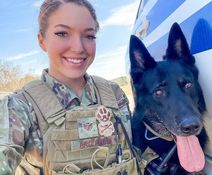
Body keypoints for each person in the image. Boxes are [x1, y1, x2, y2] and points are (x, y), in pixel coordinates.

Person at [0, 0, 140, 174]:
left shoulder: (114, 92)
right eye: (62, 33)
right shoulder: (20, 107)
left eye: (89, 36)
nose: (78, 47)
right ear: (41, 40)